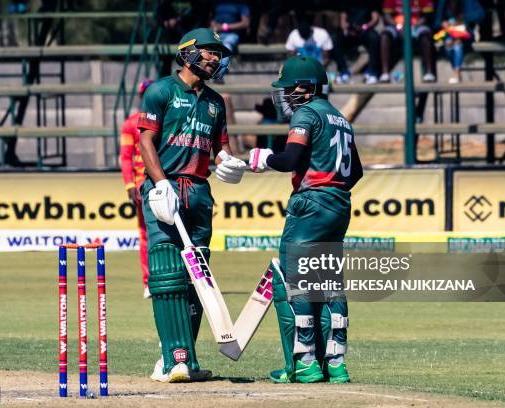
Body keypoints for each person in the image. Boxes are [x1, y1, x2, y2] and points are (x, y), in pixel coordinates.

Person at [138, 28, 246, 383]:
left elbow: (221, 149)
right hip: (164, 190)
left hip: (199, 192)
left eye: (218, 53)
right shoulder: (161, 91)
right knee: (168, 272)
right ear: (187, 52)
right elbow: (146, 141)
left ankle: (178, 355)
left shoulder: (216, 102)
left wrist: (230, 162)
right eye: (209, 51)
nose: (215, 58)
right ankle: (176, 359)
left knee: (197, 280)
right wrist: (161, 182)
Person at [249, 55, 363, 383]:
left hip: (310, 204)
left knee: (296, 283)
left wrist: (262, 157)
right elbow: (356, 171)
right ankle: (337, 364)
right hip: (340, 204)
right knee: (329, 285)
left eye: (288, 89)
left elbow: (290, 159)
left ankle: (306, 363)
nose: (285, 95)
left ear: (305, 87)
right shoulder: (340, 118)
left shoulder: (306, 112)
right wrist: (332, 188)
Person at [119, 79, 155, 299]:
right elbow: (125, 157)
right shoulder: (130, 123)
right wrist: (130, 185)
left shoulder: (168, 119)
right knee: (145, 234)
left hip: (166, 184)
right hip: (143, 186)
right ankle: (149, 281)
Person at [379, 0, 437, 82]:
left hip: (417, 25)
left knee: (425, 35)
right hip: (397, 26)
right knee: (385, 35)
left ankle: (429, 72)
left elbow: (427, 15)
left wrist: (413, 26)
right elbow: (387, 15)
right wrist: (398, 26)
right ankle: (385, 73)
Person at [332, 2, 381, 84]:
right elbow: (343, 20)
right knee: (335, 38)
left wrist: (365, 26)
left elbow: (375, 18)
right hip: (350, 32)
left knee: (374, 37)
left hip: (365, 31)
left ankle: (372, 73)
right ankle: (343, 72)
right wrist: (347, 28)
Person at [211, 0, 250, 82]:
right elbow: (212, 19)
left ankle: (219, 74)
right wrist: (213, 26)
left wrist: (225, 27)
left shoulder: (241, 4)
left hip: (232, 34)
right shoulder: (217, 3)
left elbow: (245, 23)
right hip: (216, 33)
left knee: (226, 47)